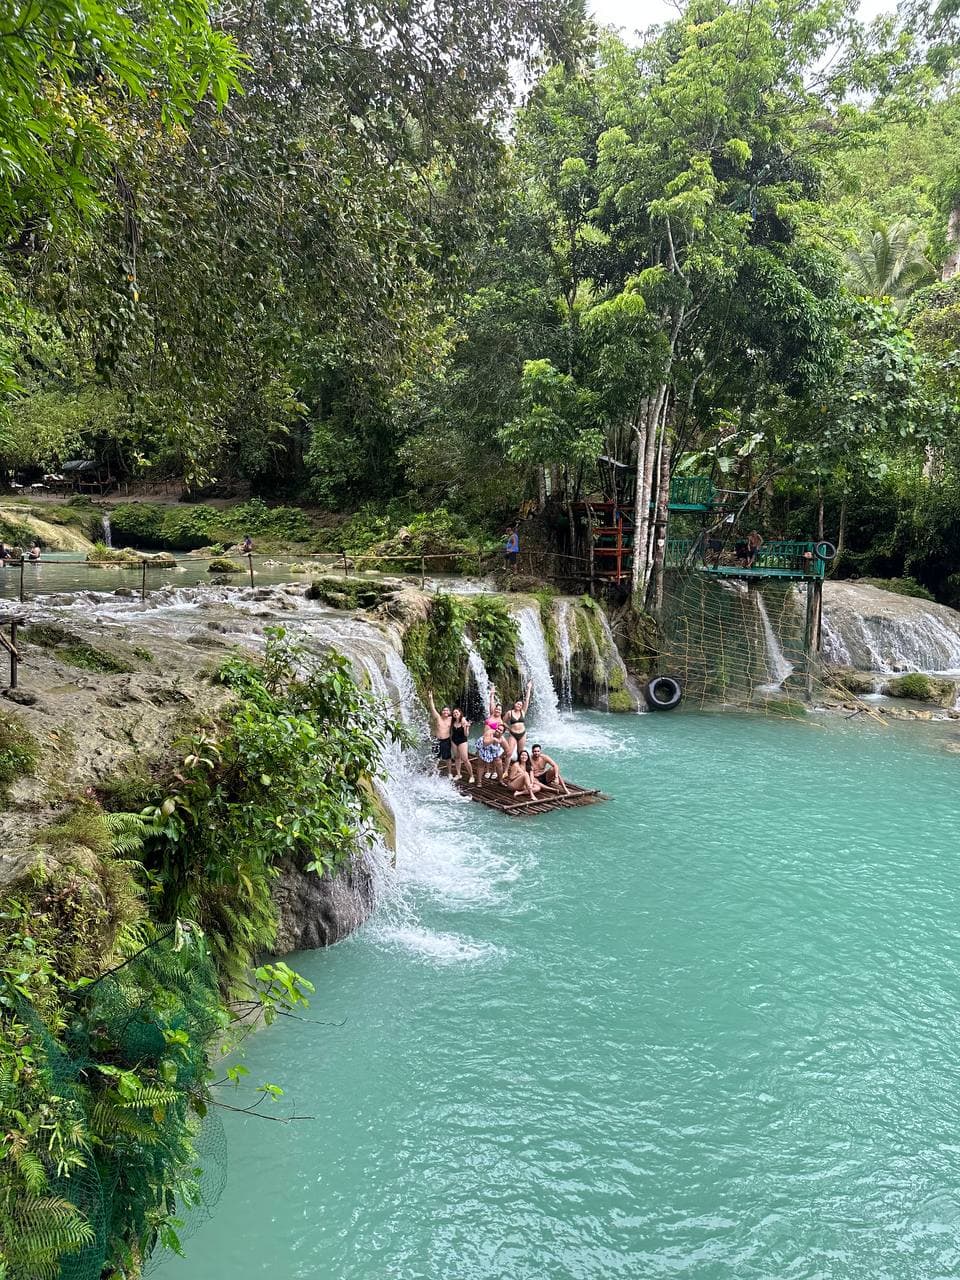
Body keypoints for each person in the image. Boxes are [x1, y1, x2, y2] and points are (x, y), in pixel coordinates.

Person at [503, 681, 533, 758]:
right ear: (514, 704)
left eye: (520, 705)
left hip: (522, 734)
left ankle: (519, 766)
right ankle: (506, 769)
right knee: (509, 752)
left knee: (520, 752)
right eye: (518, 704)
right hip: (513, 734)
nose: (519, 705)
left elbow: (527, 699)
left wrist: (529, 688)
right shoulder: (509, 713)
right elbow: (503, 722)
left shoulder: (523, 712)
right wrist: (508, 728)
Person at [426, 690, 453, 775]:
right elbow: (432, 708)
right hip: (437, 740)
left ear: (449, 712)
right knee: (435, 757)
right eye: (444, 710)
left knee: (448, 758)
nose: (445, 712)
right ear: (441, 712)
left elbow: (460, 718)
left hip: (446, 740)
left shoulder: (451, 719)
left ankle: (449, 773)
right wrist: (430, 699)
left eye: (447, 710)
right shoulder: (438, 718)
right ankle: (434, 771)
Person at [476, 715, 506, 782]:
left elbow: (508, 750)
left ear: (503, 733)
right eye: (498, 728)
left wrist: (502, 756)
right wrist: (493, 740)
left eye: (500, 730)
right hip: (483, 747)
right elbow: (485, 743)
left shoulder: (502, 739)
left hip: (494, 749)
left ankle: (500, 781)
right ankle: (479, 782)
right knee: (481, 764)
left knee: (499, 763)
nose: (498, 730)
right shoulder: (489, 732)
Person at [450, 708, 474, 784]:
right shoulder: (453, 721)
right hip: (454, 741)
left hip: (462, 741)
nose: (455, 714)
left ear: (460, 713)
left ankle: (471, 775)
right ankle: (458, 774)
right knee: (457, 757)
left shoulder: (463, 721)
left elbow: (466, 734)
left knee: (465, 759)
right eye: (454, 713)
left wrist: (466, 727)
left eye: (457, 712)